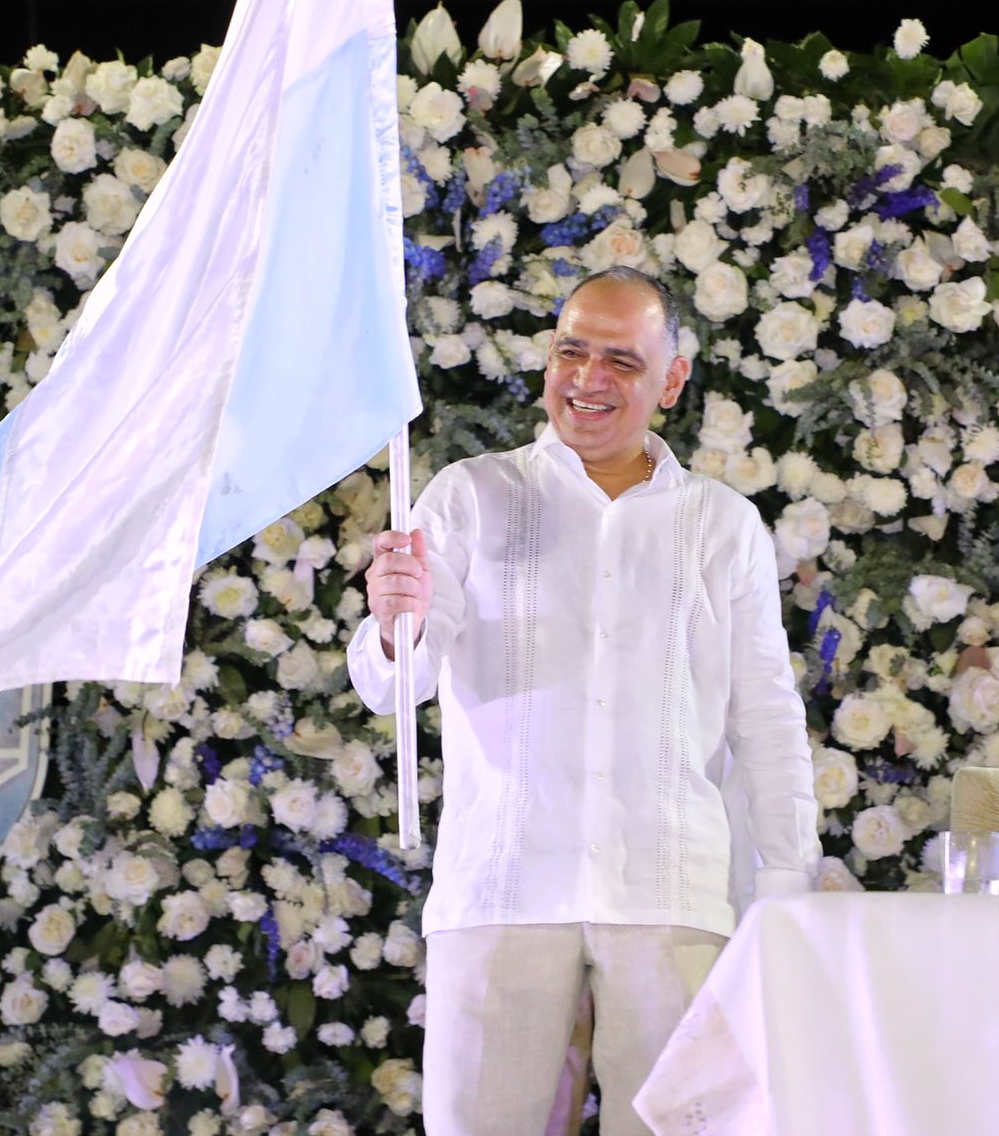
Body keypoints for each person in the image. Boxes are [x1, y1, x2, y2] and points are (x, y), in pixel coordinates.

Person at [348, 266, 820, 1136]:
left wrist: (787, 884)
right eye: (571, 350)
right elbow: (396, 680)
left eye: (621, 361)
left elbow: (767, 716)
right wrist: (390, 620)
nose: (587, 379)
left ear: (672, 381)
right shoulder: (470, 496)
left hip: (674, 893)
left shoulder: (722, 524)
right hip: (501, 890)